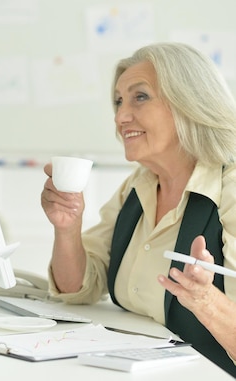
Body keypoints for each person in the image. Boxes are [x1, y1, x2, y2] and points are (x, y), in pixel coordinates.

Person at [41, 42, 236, 377]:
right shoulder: (138, 185)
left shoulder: (228, 190)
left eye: (140, 97)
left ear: (188, 103)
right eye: (118, 101)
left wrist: (205, 301)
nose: (120, 117)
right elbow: (79, 287)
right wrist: (67, 227)